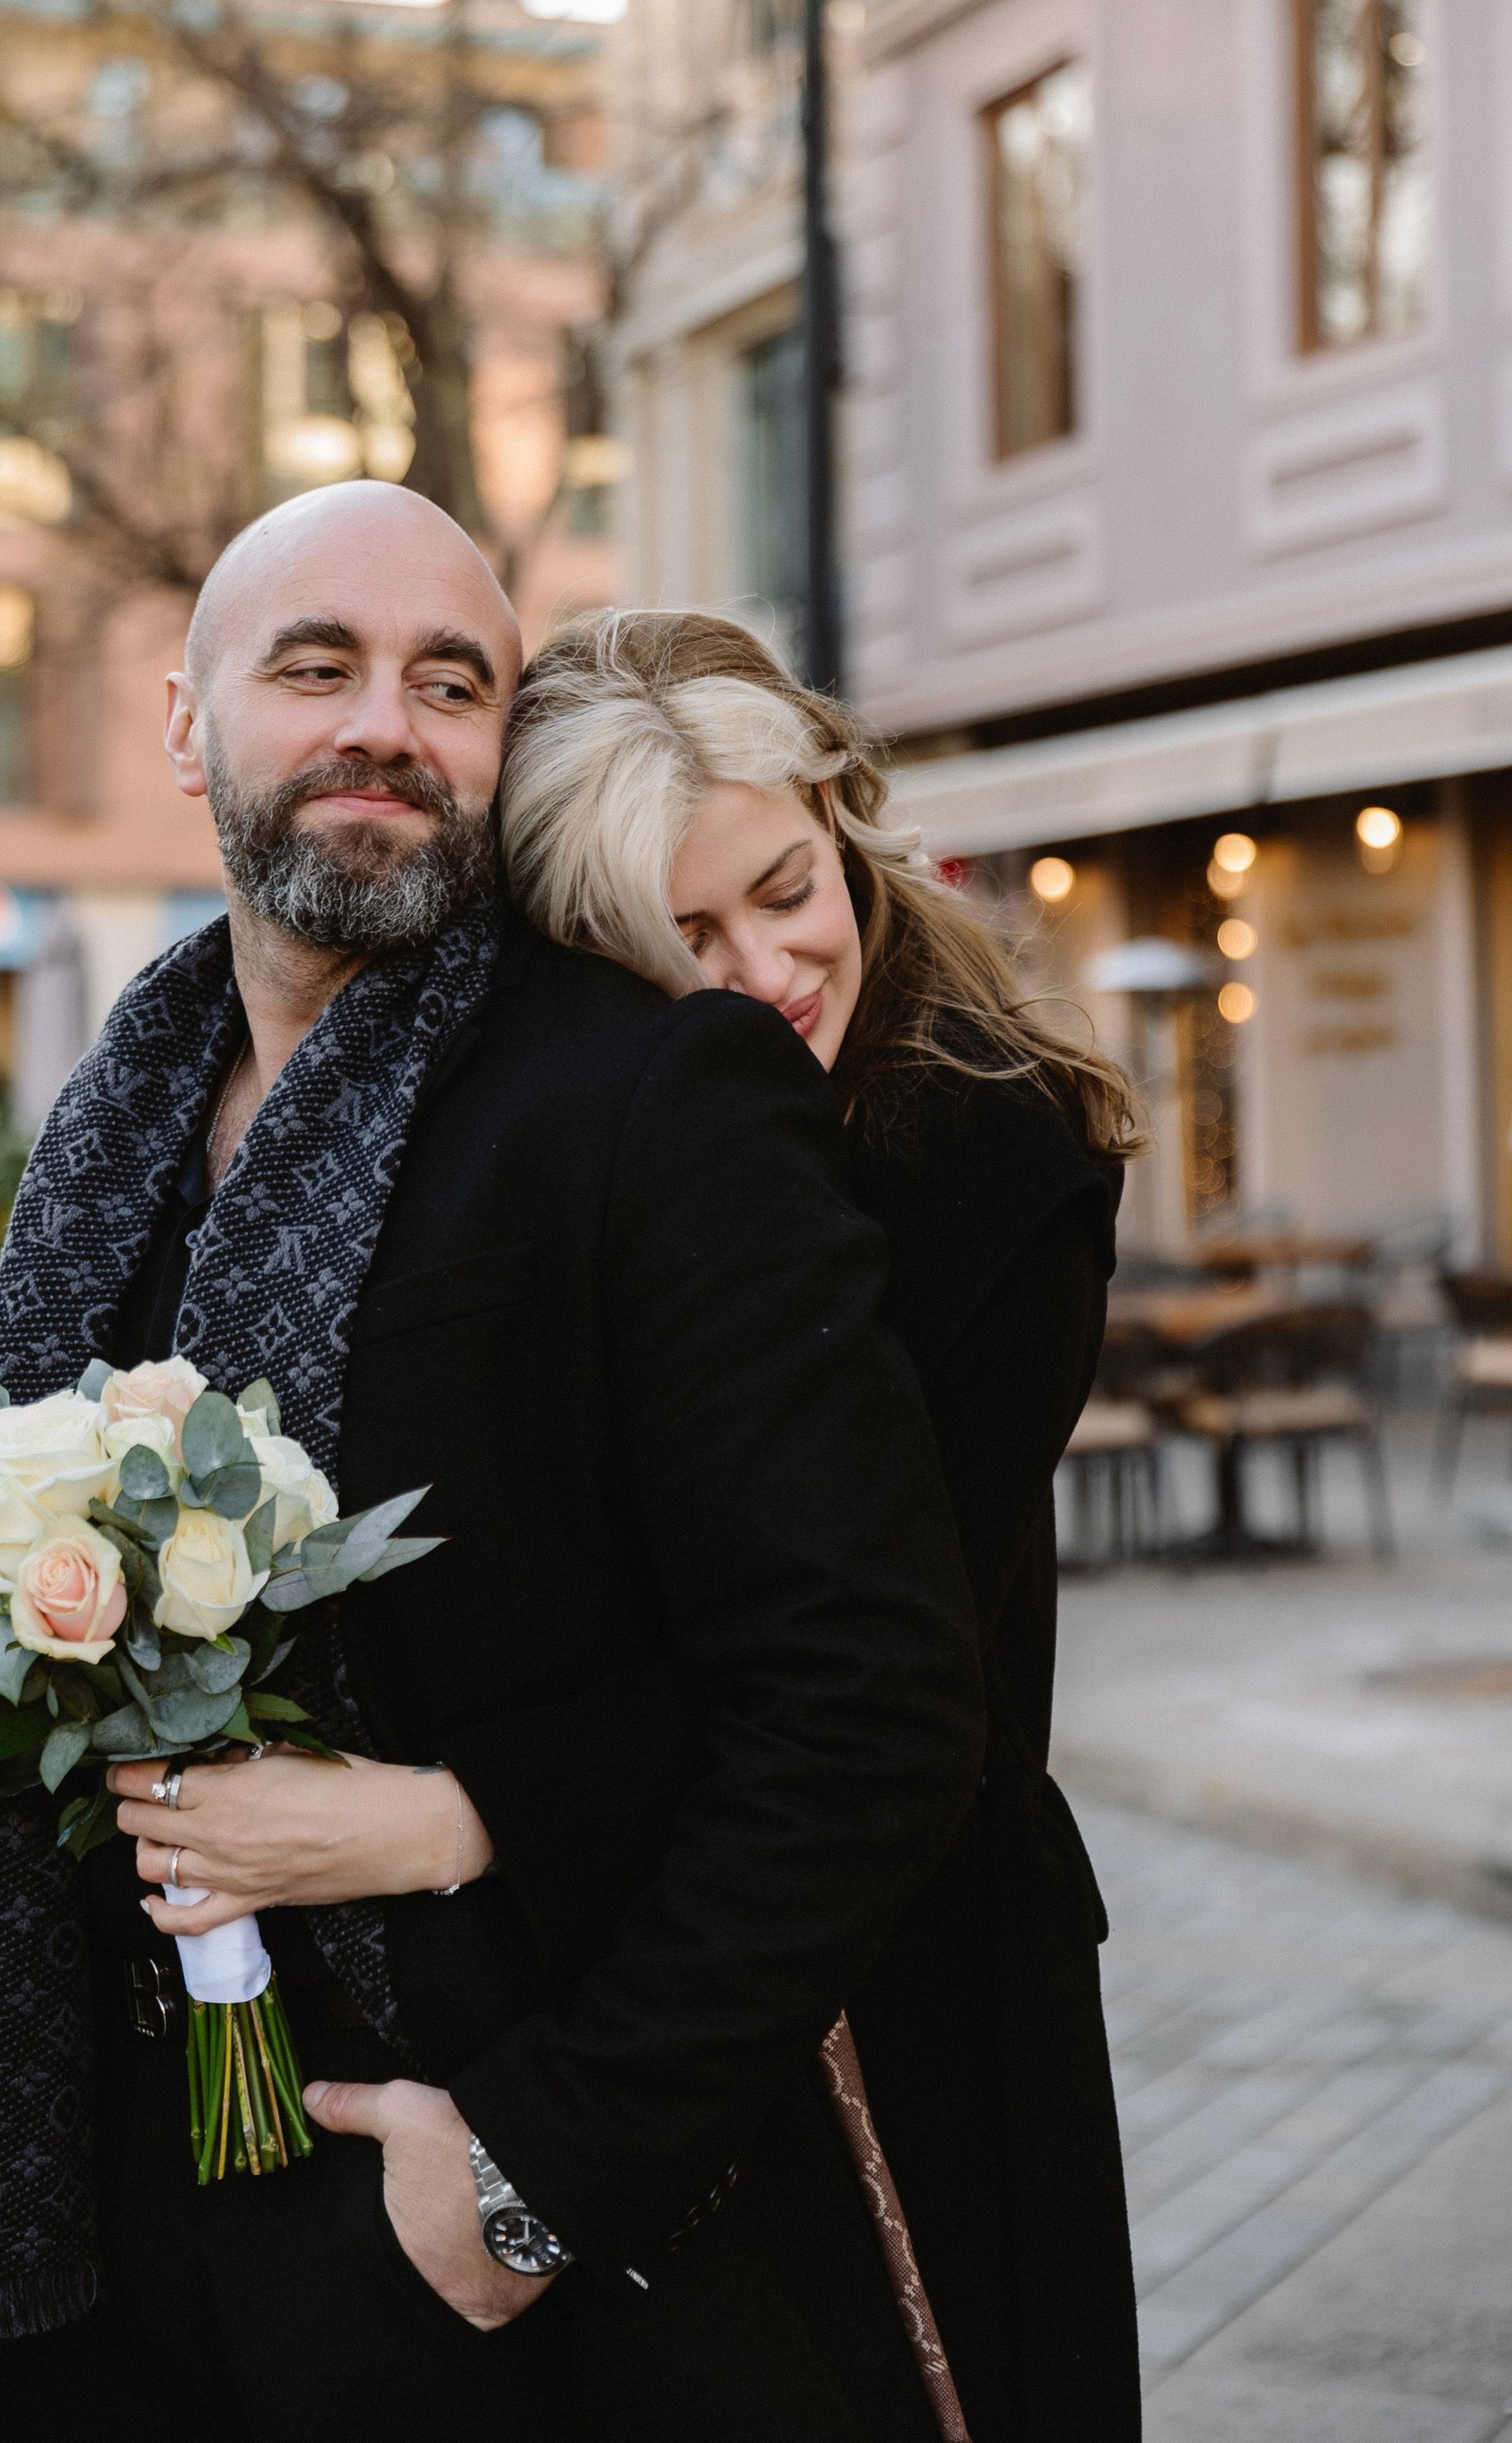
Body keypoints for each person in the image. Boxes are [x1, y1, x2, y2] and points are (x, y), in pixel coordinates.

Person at [0, 490, 983, 2443]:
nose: (387, 721)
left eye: (451, 682)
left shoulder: (650, 1095)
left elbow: (868, 1714)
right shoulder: (103, 1127)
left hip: (474, 2233)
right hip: (73, 2194)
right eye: (318, 667)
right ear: (189, 727)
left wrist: (533, 2180)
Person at [124, 605, 1150, 2440]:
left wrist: (462, 1816)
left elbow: (864, 1677)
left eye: (786, 887)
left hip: (906, 1947)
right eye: (680, 935)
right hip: (644, 1940)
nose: (770, 967)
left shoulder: (991, 1154)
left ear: (842, 821)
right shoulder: (581, 1135)